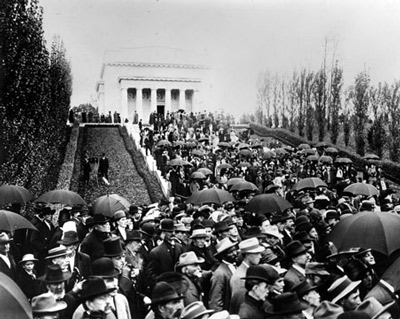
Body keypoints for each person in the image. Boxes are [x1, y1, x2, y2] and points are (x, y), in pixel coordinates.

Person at [230, 237, 265, 314]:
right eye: (257, 253)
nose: (260, 256)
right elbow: (239, 303)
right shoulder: (239, 277)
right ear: (248, 255)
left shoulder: (250, 271)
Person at [147, 219, 185, 288]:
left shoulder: (179, 247)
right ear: (163, 232)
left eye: (173, 231)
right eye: (169, 232)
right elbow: (151, 274)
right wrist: (162, 283)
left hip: (180, 284)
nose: (172, 234)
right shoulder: (156, 252)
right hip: (165, 287)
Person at [209, 237, 239, 311]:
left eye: (235, 250)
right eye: (230, 252)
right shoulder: (219, 274)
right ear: (223, 256)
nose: (235, 253)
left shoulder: (235, 266)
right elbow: (215, 302)